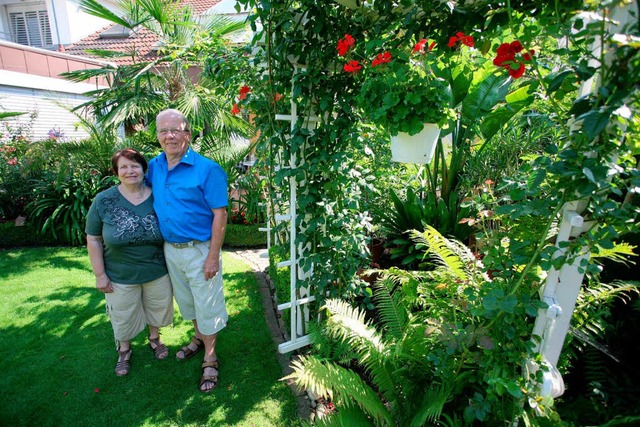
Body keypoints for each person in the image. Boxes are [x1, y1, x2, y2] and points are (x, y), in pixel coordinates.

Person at [147, 109, 229, 393]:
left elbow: (220, 215)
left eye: (176, 129)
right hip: (172, 250)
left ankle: (210, 357)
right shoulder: (153, 168)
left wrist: (212, 257)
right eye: (163, 131)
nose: (170, 135)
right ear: (157, 136)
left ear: (188, 134)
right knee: (188, 302)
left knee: (208, 305)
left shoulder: (207, 169)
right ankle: (198, 337)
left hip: (200, 250)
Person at [86, 148, 173, 376]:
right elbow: (93, 238)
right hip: (119, 274)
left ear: (144, 170)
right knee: (122, 314)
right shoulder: (103, 200)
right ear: (116, 172)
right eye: (123, 166)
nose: (130, 171)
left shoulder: (159, 196)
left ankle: (154, 338)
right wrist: (100, 274)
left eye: (135, 165)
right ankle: (124, 349)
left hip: (157, 270)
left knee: (157, 308)